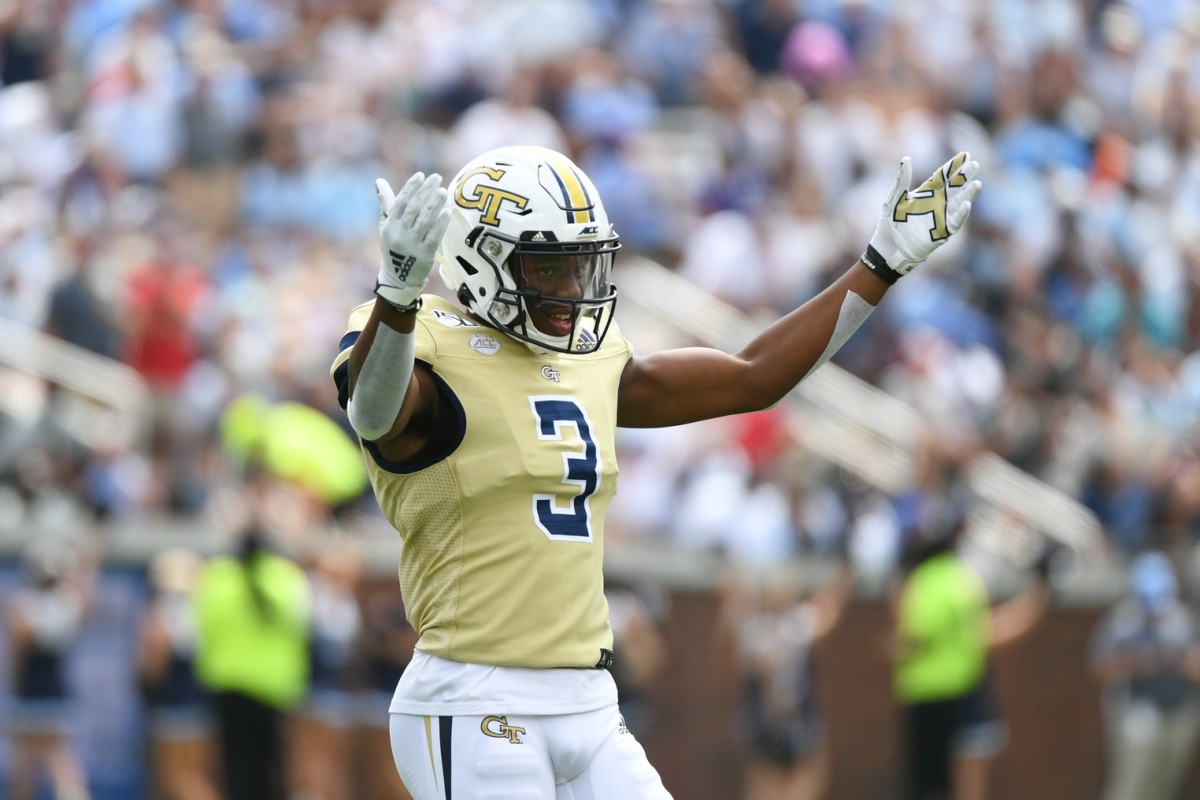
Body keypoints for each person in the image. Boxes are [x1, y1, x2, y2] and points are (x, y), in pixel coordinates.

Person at [329, 144, 981, 798]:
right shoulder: (423, 339)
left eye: (580, 267)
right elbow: (374, 412)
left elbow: (751, 376)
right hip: (475, 695)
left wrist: (880, 265)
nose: (570, 290)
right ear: (479, 260)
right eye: (548, 269)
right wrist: (397, 296)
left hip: (587, 697)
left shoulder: (593, 362)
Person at [891, 498, 1051, 800]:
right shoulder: (964, 581)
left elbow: (913, 636)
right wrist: (1039, 593)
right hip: (964, 696)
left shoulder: (920, 583)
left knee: (927, 786)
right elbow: (993, 632)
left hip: (928, 699)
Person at [717, 559, 853, 800]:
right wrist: (845, 575)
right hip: (783, 722)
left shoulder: (752, 626)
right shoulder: (793, 625)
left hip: (764, 722)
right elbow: (829, 611)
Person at [191, 527, 311, 800]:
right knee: (276, 765)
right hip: (276, 687)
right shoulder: (287, 576)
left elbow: (201, 629)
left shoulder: (217, 576)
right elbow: (302, 627)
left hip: (229, 684)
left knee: (237, 767)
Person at [1089, 550, 1200, 800]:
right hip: (1137, 711)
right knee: (1130, 788)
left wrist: (1181, 664)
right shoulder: (1121, 621)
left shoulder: (1185, 620)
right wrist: (1138, 663)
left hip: (1180, 712)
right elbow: (1099, 669)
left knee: (1163, 789)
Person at [4, 536, 95, 800]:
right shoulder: (69, 605)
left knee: (24, 765)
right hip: (58, 690)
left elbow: (18, 653)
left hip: (31, 693)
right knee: (60, 760)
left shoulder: (22, 605)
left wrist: (16, 685)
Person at [136, 547, 218, 800]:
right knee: (194, 777)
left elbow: (152, 667)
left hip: (173, 709)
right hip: (200, 707)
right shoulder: (205, 611)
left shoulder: (162, 613)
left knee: (179, 780)